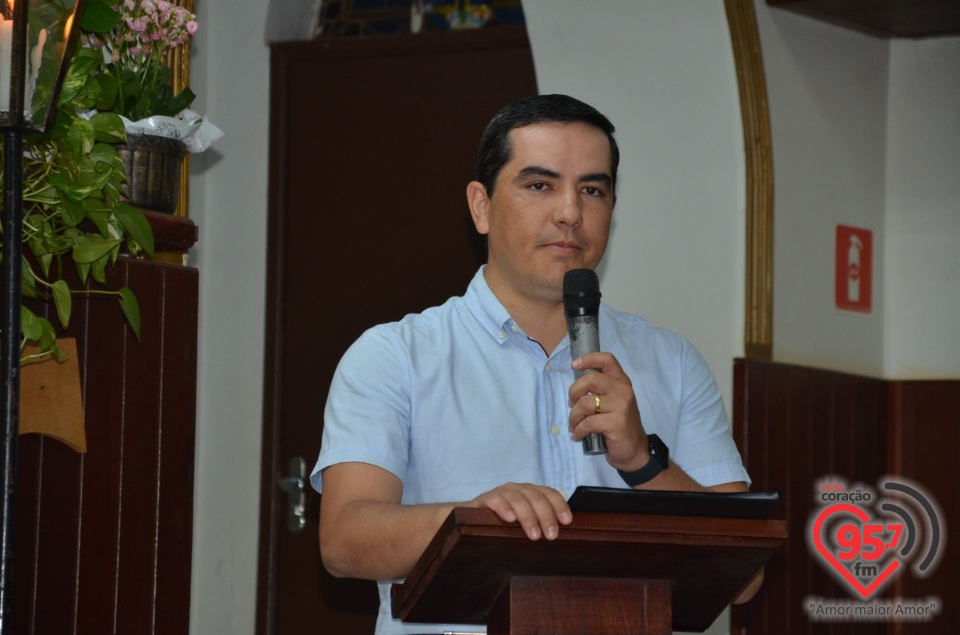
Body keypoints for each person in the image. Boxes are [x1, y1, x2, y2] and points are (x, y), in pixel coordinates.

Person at [311, 94, 761, 634]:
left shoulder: (673, 361)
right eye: (539, 185)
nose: (570, 212)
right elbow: (344, 540)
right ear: (480, 205)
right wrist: (474, 522)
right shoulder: (395, 355)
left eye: (592, 189)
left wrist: (645, 462)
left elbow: (749, 574)